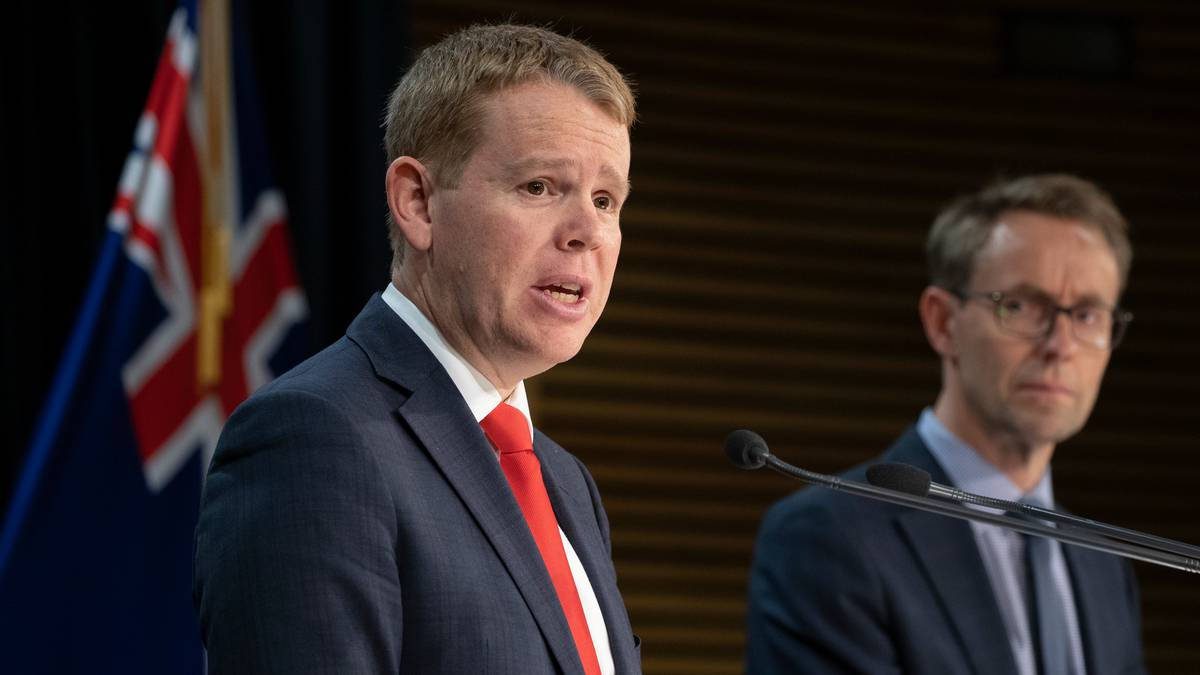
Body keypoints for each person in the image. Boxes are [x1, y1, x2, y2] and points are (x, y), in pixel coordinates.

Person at [193, 24, 640, 675]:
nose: (587, 232)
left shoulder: (566, 481)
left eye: (606, 200)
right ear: (418, 201)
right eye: (540, 186)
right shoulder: (315, 439)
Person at [745, 174, 1147, 675]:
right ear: (942, 322)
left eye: (1087, 315)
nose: (1060, 346)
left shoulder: (1103, 562)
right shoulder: (828, 538)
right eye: (1021, 306)